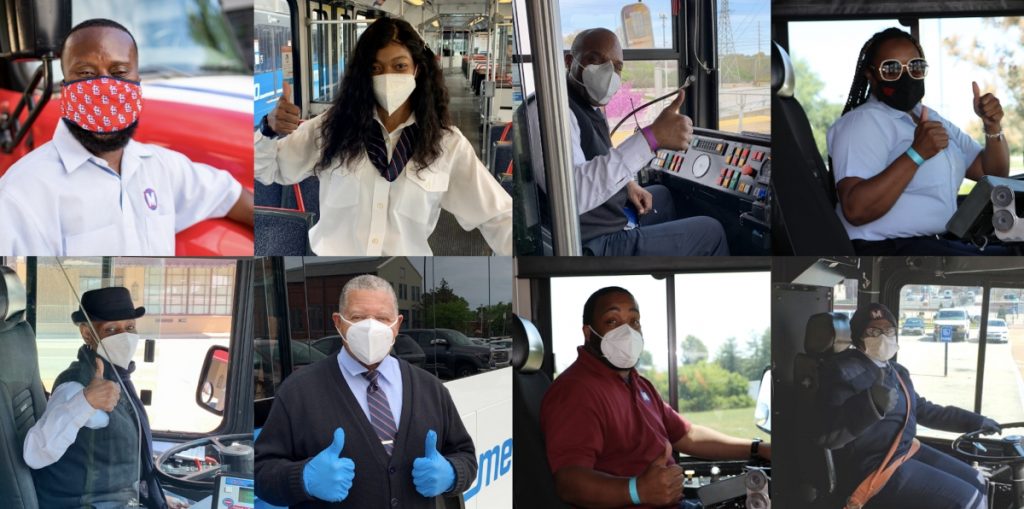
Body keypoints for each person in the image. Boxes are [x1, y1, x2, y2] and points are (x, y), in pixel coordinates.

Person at [255, 17, 512, 256]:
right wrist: (268, 128)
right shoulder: (330, 127)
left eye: (399, 66)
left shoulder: (447, 144)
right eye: (376, 68)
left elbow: (498, 216)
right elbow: (268, 170)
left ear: (417, 70)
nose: (387, 76)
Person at [0, 18, 254, 256]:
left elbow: (231, 196)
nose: (104, 88)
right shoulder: (21, 194)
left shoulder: (162, 167)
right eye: (86, 74)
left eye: (119, 72)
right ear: (65, 86)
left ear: (137, 83)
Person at [255, 275, 477, 508]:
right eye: (358, 317)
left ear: (397, 324)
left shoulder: (431, 388)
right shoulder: (297, 391)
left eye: (382, 319)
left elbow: (465, 456)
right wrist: (302, 479)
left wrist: (452, 473)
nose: (371, 328)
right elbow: (260, 471)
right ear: (338, 322)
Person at [540, 286, 770, 508]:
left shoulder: (637, 383)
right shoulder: (576, 390)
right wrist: (637, 490)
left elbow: (687, 435)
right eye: (612, 321)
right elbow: (569, 482)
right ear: (589, 333)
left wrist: (757, 448)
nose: (627, 332)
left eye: (634, 321)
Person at [526, 28, 728, 256]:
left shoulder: (588, 105)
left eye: (617, 67)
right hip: (587, 241)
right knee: (711, 231)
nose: (608, 73)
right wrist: (651, 138)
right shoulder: (550, 110)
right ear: (570, 61)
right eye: (597, 60)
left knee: (664, 195)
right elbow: (572, 195)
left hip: (597, 219)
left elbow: (596, 157)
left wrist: (628, 184)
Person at [828, 28, 1011, 255]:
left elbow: (991, 172)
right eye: (891, 69)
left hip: (933, 244)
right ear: (871, 75)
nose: (905, 76)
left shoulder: (926, 115)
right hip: (888, 250)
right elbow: (856, 210)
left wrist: (992, 125)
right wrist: (916, 154)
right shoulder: (862, 122)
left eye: (915, 67)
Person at [816, 303, 999, 509]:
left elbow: (924, 410)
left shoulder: (896, 371)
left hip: (904, 451)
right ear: (859, 336)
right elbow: (829, 436)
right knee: (968, 500)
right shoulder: (841, 371)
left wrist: (975, 421)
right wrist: (870, 404)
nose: (883, 336)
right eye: (873, 331)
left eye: (889, 330)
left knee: (977, 480)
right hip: (873, 466)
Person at [23, 287, 187, 509]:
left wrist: (156, 497)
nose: (125, 336)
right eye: (111, 329)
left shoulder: (117, 376)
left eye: (129, 327)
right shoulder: (75, 386)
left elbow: (126, 457)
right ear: (87, 333)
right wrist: (85, 402)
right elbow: (34, 454)